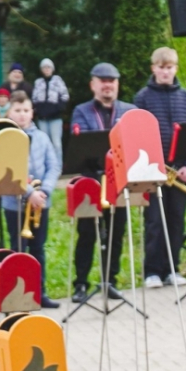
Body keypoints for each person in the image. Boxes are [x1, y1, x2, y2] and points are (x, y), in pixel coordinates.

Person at [132, 47, 186, 288]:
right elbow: (137, 134)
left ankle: (173, 268)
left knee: (176, 220)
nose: (165, 71)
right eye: (161, 67)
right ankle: (152, 270)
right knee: (154, 222)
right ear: (154, 69)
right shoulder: (142, 98)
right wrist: (149, 167)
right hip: (152, 171)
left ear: (176, 69)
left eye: (169, 67)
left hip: (179, 172)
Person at [68, 63, 133, 303]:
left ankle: (110, 281)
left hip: (118, 184)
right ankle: (81, 284)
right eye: (102, 81)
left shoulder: (129, 111)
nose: (108, 85)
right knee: (87, 234)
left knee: (116, 234)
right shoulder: (81, 111)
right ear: (93, 84)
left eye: (112, 81)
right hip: (91, 183)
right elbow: (83, 145)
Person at [0, 91, 62, 307]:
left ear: (32, 112)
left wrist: (45, 189)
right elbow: (7, 170)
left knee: (38, 249)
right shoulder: (4, 138)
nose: (23, 115)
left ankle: (39, 293)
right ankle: (18, 296)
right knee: (18, 249)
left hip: (41, 202)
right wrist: (29, 192)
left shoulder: (42, 137)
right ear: (10, 112)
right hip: (14, 204)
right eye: (18, 111)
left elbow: (54, 165)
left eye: (26, 110)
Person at [32, 58, 70, 159]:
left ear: (52, 69)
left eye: (48, 67)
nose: (47, 69)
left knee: (56, 143)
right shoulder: (38, 82)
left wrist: (59, 107)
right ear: (41, 70)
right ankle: (46, 166)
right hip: (42, 118)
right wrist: (37, 110)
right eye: (44, 67)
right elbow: (34, 98)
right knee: (44, 143)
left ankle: (58, 167)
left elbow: (65, 95)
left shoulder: (58, 80)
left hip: (55, 118)